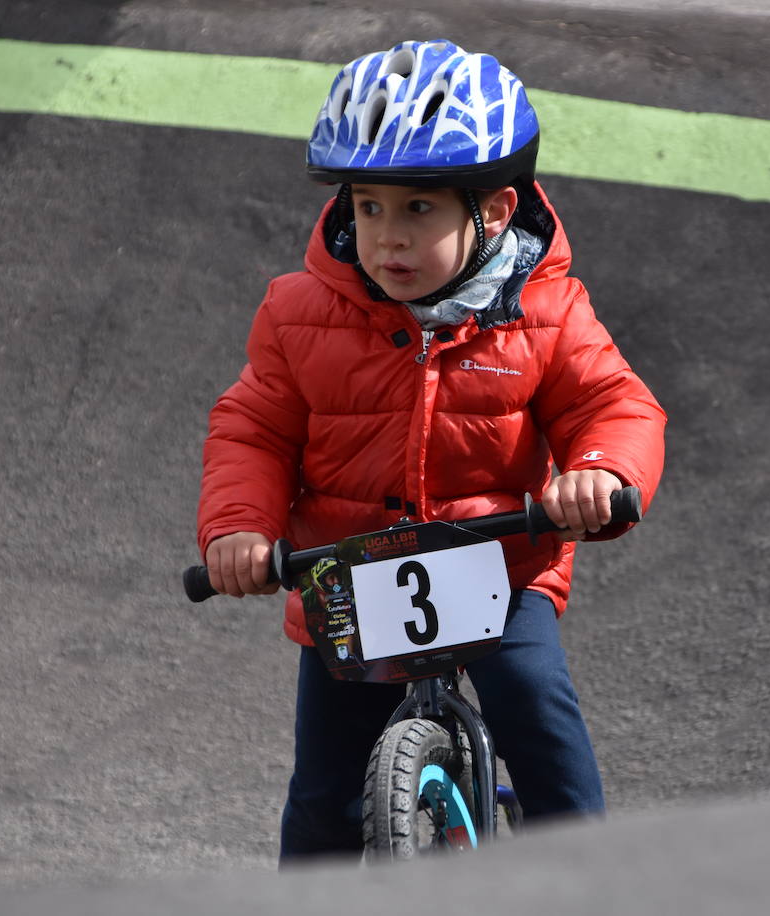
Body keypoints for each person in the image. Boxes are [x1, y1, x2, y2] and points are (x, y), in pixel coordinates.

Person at [196, 38, 666, 863]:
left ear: (491, 211)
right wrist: (238, 527)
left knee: (546, 741)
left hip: (499, 562)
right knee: (323, 805)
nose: (387, 239)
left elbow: (613, 403)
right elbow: (255, 427)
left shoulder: (545, 313)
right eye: (368, 207)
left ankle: (589, 882)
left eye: (419, 210)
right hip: (348, 572)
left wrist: (601, 472)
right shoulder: (301, 311)